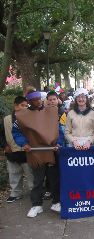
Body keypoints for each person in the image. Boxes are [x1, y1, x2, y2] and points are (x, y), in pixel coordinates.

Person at [12, 90, 63, 218]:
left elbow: (59, 130)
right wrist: (24, 143)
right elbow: (16, 133)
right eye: (35, 100)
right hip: (35, 152)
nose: (38, 101)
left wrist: (59, 142)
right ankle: (36, 205)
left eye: (39, 99)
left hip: (51, 150)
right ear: (29, 101)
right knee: (38, 180)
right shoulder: (22, 116)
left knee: (54, 179)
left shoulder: (50, 112)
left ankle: (57, 202)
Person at [3, 96, 33, 203]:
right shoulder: (6, 119)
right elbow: (2, 134)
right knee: (14, 173)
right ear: (16, 106)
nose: (24, 108)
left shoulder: (29, 118)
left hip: (26, 151)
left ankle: (34, 191)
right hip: (12, 151)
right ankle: (15, 193)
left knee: (30, 173)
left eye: (26, 106)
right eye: (22, 105)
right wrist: (4, 145)